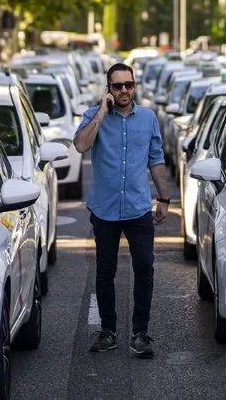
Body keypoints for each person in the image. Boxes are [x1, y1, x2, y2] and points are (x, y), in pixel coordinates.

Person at [73, 63, 169, 359]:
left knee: (144, 269)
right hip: (105, 209)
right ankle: (108, 330)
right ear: (108, 89)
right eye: (117, 86)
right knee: (105, 272)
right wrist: (102, 112)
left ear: (135, 86)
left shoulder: (148, 118)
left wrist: (164, 198)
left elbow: (156, 158)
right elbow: (80, 145)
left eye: (128, 85)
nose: (124, 90)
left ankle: (140, 334)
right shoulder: (94, 115)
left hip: (139, 208)